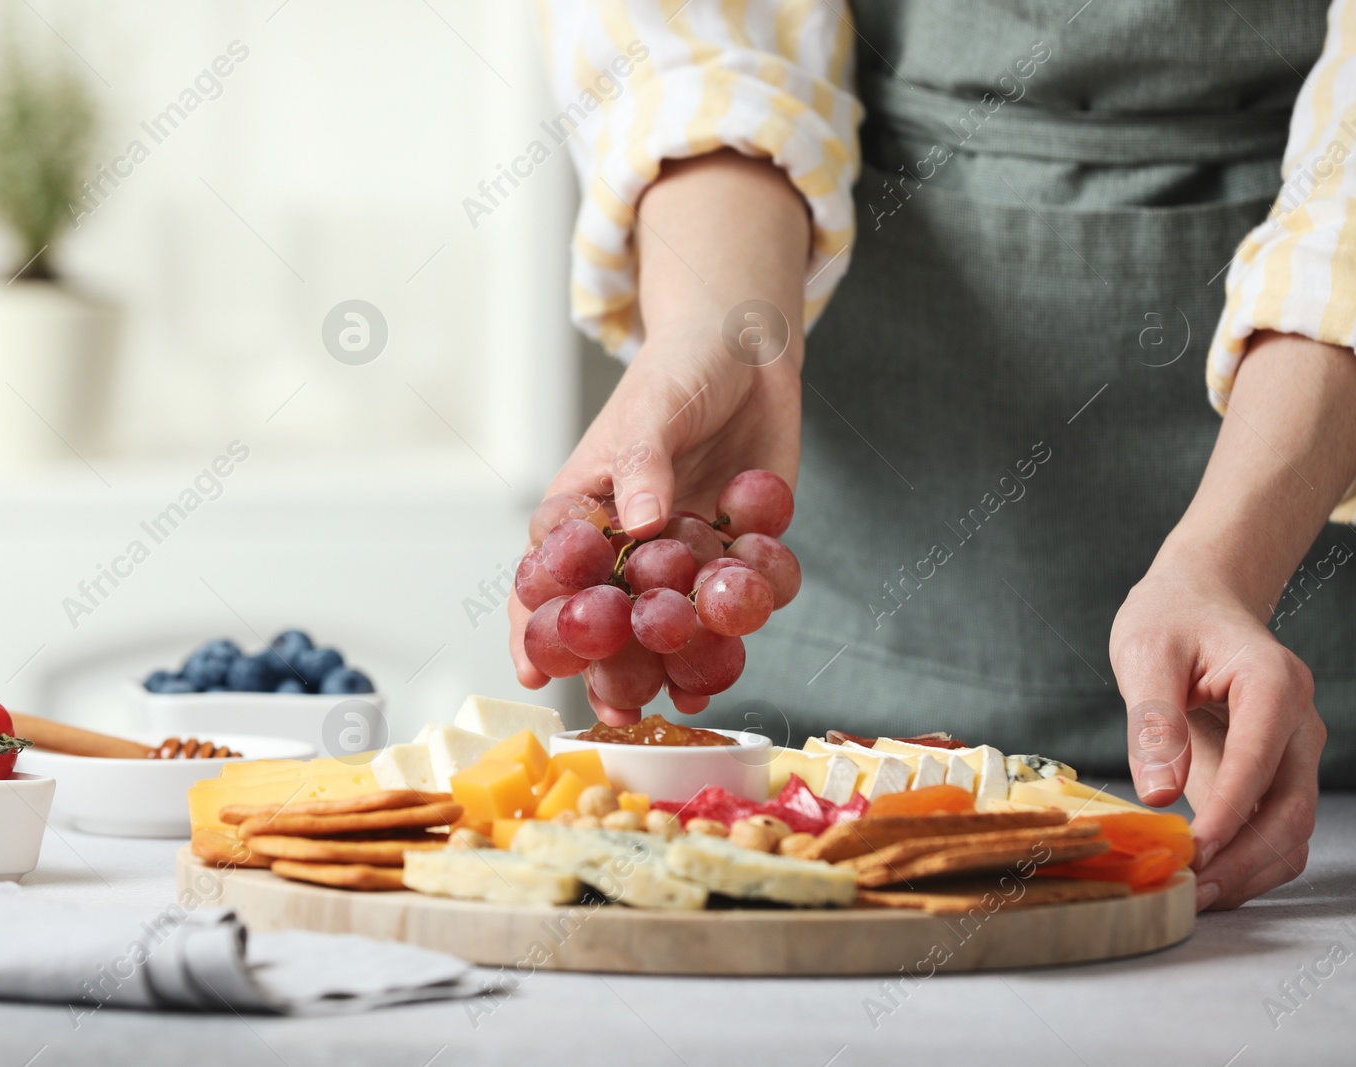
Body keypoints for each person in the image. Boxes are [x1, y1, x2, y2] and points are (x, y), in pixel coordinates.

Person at [509, 0, 1356, 912]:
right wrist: (729, 329)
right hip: (822, 688)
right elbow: (700, 38)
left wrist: (1232, 561)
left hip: (1308, 728)